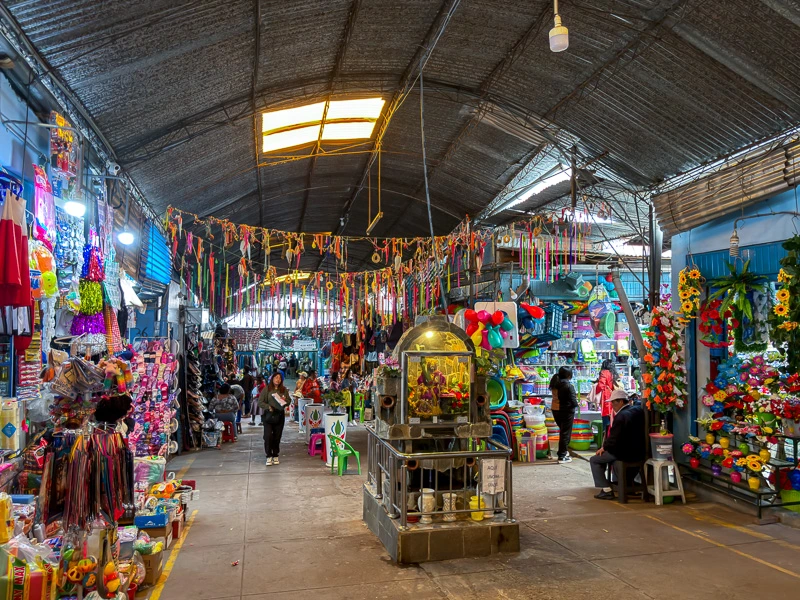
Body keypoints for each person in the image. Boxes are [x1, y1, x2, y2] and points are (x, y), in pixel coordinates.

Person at [589, 390, 646, 500]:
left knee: (595, 460)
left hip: (623, 453)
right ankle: (626, 484)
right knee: (605, 458)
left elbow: (614, 438)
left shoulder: (621, 416)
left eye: (613, 402)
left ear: (620, 402)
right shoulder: (637, 410)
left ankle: (606, 489)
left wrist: (604, 448)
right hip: (639, 451)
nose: (612, 405)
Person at [259, 372, 291, 465]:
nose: (278, 380)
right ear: (272, 379)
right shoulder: (267, 389)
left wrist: (284, 401)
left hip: (279, 415)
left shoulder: (283, 390)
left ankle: (275, 454)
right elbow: (260, 402)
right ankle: (268, 455)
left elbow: (289, 401)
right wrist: (268, 407)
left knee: (277, 436)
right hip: (268, 415)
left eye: (280, 378)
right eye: (276, 378)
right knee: (268, 436)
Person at [549, 366, 578, 464]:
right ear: (569, 375)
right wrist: (576, 405)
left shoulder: (555, 383)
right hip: (566, 411)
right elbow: (573, 400)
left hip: (555, 410)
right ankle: (562, 456)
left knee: (563, 432)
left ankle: (563, 453)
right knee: (565, 434)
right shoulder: (568, 386)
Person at [595, 360, 620, 435]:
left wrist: (595, 390)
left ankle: (605, 441)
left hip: (606, 399)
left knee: (606, 423)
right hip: (614, 398)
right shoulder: (614, 374)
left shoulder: (604, 372)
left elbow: (600, 386)